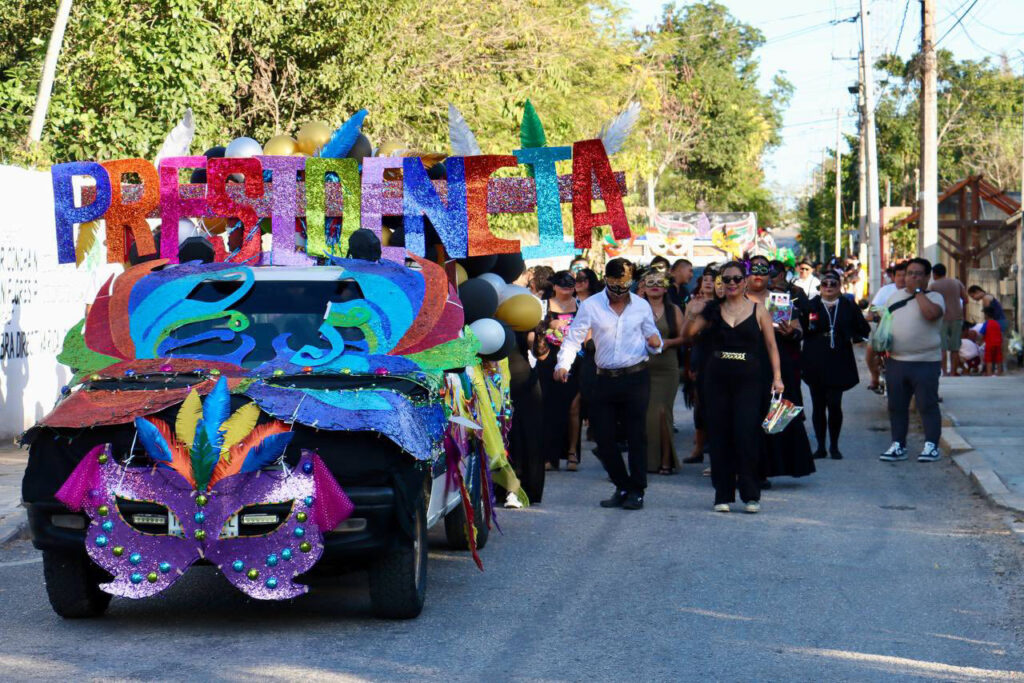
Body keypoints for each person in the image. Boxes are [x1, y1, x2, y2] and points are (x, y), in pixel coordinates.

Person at [555, 258, 663, 510]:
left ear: (631, 283)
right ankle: (621, 484)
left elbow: (651, 337)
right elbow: (574, 338)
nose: (618, 293)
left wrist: (656, 343)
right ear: (606, 281)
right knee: (603, 437)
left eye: (623, 287)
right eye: (614, 286)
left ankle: (637, 489)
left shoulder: (641, 306)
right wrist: (563, 364)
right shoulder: (591, 305)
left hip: (636, 377)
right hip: (603, 378)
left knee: (636, 435)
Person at [683, 262, 784, 513]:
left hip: (750, 380)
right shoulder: (711, 310)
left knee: (747, 434)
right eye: (726, 279)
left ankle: (751, 494)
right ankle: (722, 494)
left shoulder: (759, 310)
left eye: (736, 279)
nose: (731, 283)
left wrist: (778, 377)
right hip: (716, 379)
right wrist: (692, 312)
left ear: (744, 281)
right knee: (719, 436)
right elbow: (688, 335)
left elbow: (772, 346)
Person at [748, 255, 815, 481]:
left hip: (777, 364)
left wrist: (791, 332)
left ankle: (770, 467)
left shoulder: (778, 299)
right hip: (745, 365)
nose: (758, 273)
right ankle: (747, 466)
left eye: (763, 269)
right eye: (753, 268)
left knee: (776, 416)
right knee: (748, 415)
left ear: (770, 274)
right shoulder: (737, 298)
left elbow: (798, 330)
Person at [880, 257, 945, 463]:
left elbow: (931, 315)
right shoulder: (894, 297)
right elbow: (884, 323)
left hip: (926, 362)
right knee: (896, 406)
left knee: (927, 405)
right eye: (910, 273)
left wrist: (918, 292)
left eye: (918, 274)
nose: (913, 277)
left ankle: (931, 446)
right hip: (897, 361)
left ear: (927, 277)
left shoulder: (935, 297)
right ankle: (898, 445)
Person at [801, 270, 871, 459]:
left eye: (833, 284)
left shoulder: (848, 306)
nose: (829, 287)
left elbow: (863, 328)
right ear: (820, 287)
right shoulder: (811, 305)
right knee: (818, 404)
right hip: (815, 356)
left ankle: (834, 445)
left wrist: (852, 335)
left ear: (840, 287)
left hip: (839, 357)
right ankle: (821, 446)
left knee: (834, 403)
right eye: (825, 284)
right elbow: (799, 327)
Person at [533, 270, 582, 471]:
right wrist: (547, 325)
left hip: (576, 360)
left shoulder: (581, 306)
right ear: (554, 286)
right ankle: (548, 454)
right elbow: (532, 331)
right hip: (549, 360)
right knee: (548, 408)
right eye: (563, 285)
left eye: (571, 285)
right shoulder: (543, 306)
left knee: (573, 408)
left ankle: (571, 452)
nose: (567, 288)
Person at [640, 270, 684, 474]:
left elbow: (685, 338)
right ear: (643, 287)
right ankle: (648, 461)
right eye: (651, 282)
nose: (655, 285)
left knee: (663, 412)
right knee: (647, 414)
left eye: (659, 282)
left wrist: (667, 343)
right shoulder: (636, 309)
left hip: (667, 367)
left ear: (666, 287)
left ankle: (667, 460)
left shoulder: (673, 309)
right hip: (641, 366)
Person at [682, 269, 717, 465]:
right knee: (699, 404)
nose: (710, 283)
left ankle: (715, 451)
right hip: (699, 355)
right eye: (706, 280)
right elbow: (686, 335)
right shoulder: (694, 304)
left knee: (717, 406)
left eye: (715, 280)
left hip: (719, 357)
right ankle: (698, 449)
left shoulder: (725, 305)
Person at [866, 261, 907, 393]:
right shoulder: (885, 290)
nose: (901, 278)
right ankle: (874, 378)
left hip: (904, 331)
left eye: (904, 275)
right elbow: (872, 308)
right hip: (884, 329)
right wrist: (872, 315)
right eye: (899, 275)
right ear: (894, 277)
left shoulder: (913, 292)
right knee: (870, 353)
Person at [929, 263, 967, 376]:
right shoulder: (957, 283)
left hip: (941, 318)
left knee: (942, 348)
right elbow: (966, 299)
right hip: (957, 317)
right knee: (955, 347)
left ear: (934, 274)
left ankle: (944, 372)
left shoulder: (933, 286)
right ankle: (953, 372)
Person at [968, 285, 1008, 369]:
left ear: (977, 292)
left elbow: (988, 314)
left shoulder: (986, 298)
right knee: (999, 345)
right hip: (1000, 322)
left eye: (973, 296)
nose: (973, 299)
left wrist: (985, 328)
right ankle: (999, 367)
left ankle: (992, 367)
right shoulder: (988, 296)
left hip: (998, 323)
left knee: (995, 345)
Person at [982, 306, 1004, 376]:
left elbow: (982, 332)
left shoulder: (986, 324)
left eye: (984, 314)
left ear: (987, 315)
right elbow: (1000, 333)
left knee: (989, 360)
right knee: (998, 359)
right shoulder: (997, 324)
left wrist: (981, 340)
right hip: (998, 344)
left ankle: (989, 373)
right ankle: (999, 373)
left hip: (989, 344)